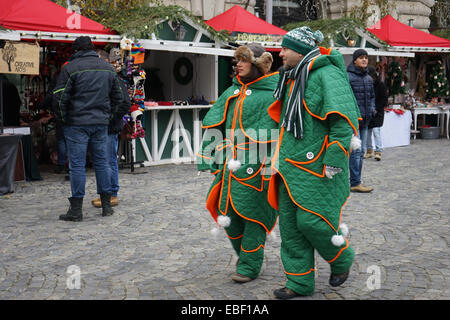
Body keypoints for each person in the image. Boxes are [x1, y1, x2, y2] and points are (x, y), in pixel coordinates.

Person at [266, 26, 361, 299]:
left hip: (317, 166)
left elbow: (342, 121)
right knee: (291, 229)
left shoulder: (327, 74)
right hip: (288, 165)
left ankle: (341, 258)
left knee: (313, 222)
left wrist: (335, 158)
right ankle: (299, 283)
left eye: (285, 48)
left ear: (300, 50)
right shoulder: (292, 77)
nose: (280, 53)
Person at [197, 43, 279, 283]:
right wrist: (209, 155)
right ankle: (247, 257)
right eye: (237, 61)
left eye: (243, 61)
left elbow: (279, 132)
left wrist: (272, 165)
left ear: (257, 65)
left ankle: (249, 265)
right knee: (228, 216)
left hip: (258, 165)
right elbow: (215, 125)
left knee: (254, 216)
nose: (238, 65)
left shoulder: (273, 93)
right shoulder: (231, 92)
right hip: (230, 164)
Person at [52, 36, 124, 221]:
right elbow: (119, 98)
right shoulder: (108, 68)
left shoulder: (70, 68)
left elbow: (59, 98)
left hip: (76, 124)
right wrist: (107, 116)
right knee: (102, 163)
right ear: (92, 48)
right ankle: (106, 206)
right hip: (100, 124)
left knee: (77, 166)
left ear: (76, 51)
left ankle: (76, 210)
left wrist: (64, 119)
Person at [91, 50, 131, 208]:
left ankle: (111, 194)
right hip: (105, 125)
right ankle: (107, 192)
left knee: (108, 161)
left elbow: (125, 103)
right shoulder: (104, 78)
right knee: (105, 160)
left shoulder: (113, 78)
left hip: (109, 126)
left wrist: (110, 118)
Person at [347, 48, 375, 193]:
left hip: (365, 119)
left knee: (362, 150)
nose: (364, 60)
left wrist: (372, 109)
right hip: (353, 120)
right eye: (361, 57)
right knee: (355, 151)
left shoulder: (368, 78)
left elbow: (371, 97)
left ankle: (356, 180)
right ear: (355, 60)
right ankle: (355, 182)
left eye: (366, 58)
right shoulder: (348, 77)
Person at [365, 66, 387, 161]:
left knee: (376, 132)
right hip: (368, 112)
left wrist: (377, 109)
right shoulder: (367, 84)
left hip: (377, 113)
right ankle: (369, 151)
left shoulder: (381, 85)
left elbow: (384, 99)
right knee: (368, 133)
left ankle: (378, 151)